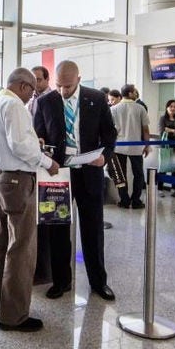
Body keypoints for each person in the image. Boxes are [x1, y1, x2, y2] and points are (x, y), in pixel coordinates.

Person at [32, 60, 117, 301]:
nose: (63, 91)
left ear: (79, 79)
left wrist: (104, 157)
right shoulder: (45, 102)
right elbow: (38, 134)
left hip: (89, 172)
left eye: (68, 86)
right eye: (59, 85)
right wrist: (40, 145)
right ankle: (61, 281)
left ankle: (98, 282)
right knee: (57, 230)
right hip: (58, 175)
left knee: (93, 230)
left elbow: (109, 135)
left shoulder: (96, 99)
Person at [0, 68, 57, 333]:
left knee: (2, 242)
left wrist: (32, 143)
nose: (31, 97)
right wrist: (46, 161)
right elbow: (20, 146)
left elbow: (1, 142)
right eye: (32, 92)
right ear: (24, 86)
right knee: (21, 248)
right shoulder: (14, 105)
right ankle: (13, 316)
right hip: (17, 181)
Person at [110, 84, 150, 209]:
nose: (135, 94)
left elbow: (110, 130)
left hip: (118, 146)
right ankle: (136, 200)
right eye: (134, 92)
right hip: (136, 146)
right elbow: (145, 129)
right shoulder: (140, 108)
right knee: (138, 174)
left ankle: (124, 200)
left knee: (120, 175)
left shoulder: (114, 109)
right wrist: (147, 145)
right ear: (131, 93)